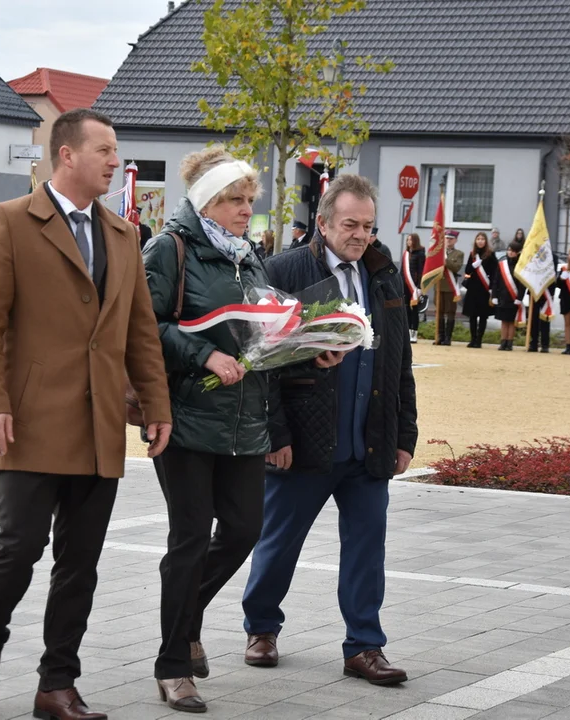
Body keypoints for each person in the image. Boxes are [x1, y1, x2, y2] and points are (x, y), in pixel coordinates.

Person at [0, 108, 173, 720]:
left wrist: (155, 405)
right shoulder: (9, 222)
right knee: (18, 547)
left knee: (79, 565)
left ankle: (57, 684)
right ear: (67, 155)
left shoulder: (124, 234)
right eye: (105, 149)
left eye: (116, 149)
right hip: (27, 421)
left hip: (101, 427)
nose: (116, 161)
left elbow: (140, 333)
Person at [242, 173, 417, 687]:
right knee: (278, 542)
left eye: (368, 225)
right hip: (304, 442)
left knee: (368, 547)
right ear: (322, 222)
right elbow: (261, 363)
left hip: (369, 443)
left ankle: (364, 645)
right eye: (350, 225)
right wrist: (275, 436)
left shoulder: (382, 274)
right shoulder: (284, 270)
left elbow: (399, 360)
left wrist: (403, 434)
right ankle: (261, 627)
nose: (360, 235)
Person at [142, 147, 273, 713]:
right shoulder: (168, 248)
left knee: (245, 529)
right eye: (235, 199)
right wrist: (202, 356)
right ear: (206, 200)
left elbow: (263, 326)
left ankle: (185, 617)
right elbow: (144, 323)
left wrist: (304, 349)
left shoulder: (250, 256)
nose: (247, 210)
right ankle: (173, 666)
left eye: (250, 199)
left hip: (246, 420)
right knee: (190, 539)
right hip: (186, 417)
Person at [462, 231, 496, 348]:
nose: (480, 241)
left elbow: (494, 273)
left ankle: (479, 340)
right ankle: (472, 339)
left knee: (482, 316)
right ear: (475, 241)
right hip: (473, 288)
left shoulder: (490, 255)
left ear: (485, 241)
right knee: (472, 315)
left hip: (484, 289)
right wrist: (473, 265)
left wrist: (492, 289)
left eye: (482, 239)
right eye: (478, 239)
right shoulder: (472, 254)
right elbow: (467, 270)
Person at [490, 240, 525, 350]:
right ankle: (503, 341)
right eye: (509, 250)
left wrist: (519, 298)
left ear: (518, 252)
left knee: (511, 321)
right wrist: (494, 296)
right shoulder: (502, 264)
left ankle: (509, 342)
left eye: (513, 251)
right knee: (503, 321)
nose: (510, 253)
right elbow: (496, 281)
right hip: (502, 296)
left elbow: (522, 284)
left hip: (513, 297)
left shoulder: (521, 265)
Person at [434, 229, 464, 345]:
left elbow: (456, 267)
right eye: (447, 238)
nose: (448, 241)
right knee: (439, 312)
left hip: (450, 287)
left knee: (450, 312)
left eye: (451, 239)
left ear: (455, 240)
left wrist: (446, 261)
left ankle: (448, 337)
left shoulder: (459, 254)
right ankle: (439, 336)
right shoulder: (438, 252)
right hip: (439, 285)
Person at [526, 248, 559, 354]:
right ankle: (533, 343)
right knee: (533, 319)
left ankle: (545, 345)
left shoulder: (553, 257)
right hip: (534, 291)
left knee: (545, 319)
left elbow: (552, 275)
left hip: (546, 291)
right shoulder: (532, 256)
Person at [402, 232, 425, 343]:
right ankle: (406, 332)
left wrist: (420, 286)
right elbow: (402, 271)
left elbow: (421, 271)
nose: (408, 242)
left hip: (414, 287)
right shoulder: (406, 254)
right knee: (406, 309)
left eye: (410, 240)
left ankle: (414, 332)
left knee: (414, 310)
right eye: (407, 240)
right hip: (405, 286)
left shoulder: (420, 254)